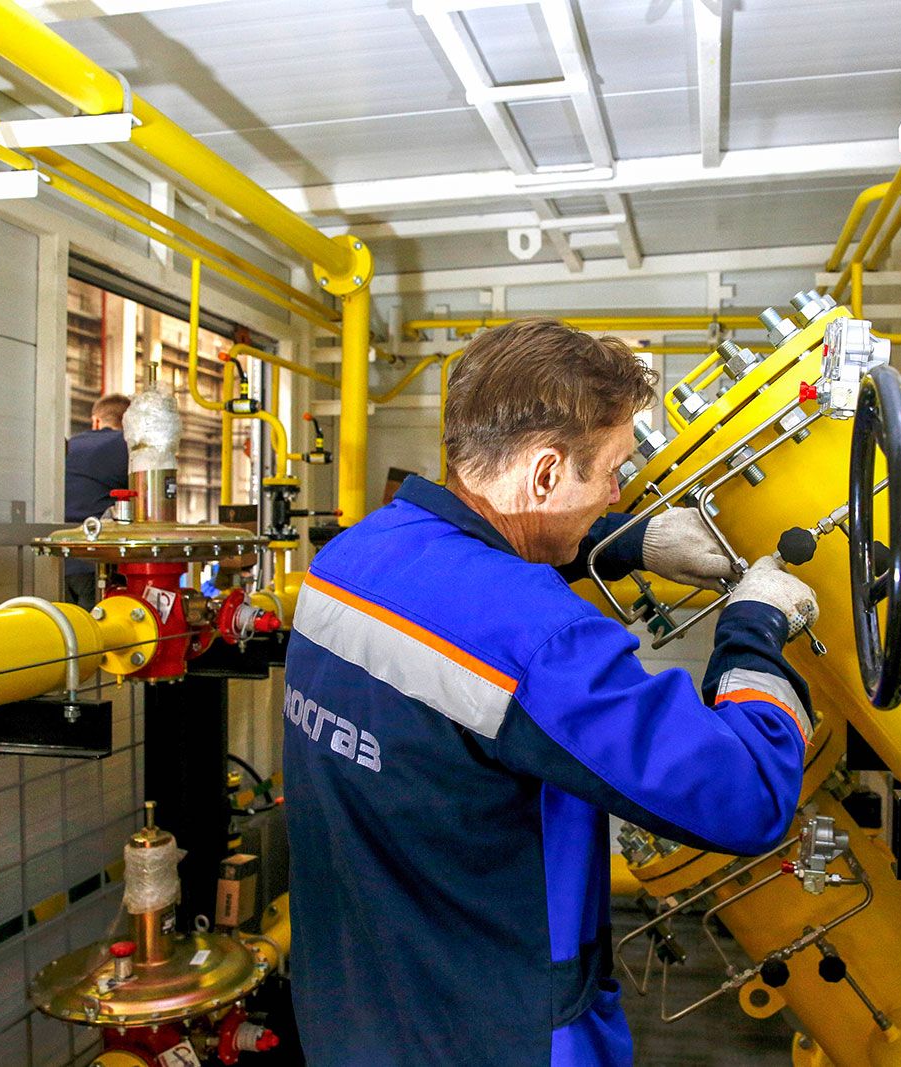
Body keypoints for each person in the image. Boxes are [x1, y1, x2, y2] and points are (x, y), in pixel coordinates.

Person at [281, 319, 819, 1066]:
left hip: (353, 1007)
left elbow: (466, 578)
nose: (617, 491)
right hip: (497, 1032)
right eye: (612, 472)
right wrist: (754, 627)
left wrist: (624, 540)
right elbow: (748, 794)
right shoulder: (543, 643)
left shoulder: (350, 556)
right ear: (543, 475)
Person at [63, 393, 130, 607]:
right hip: (97, 563)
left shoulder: (71, 445)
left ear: (96, 421)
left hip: (60, 560)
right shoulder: (127, 445)